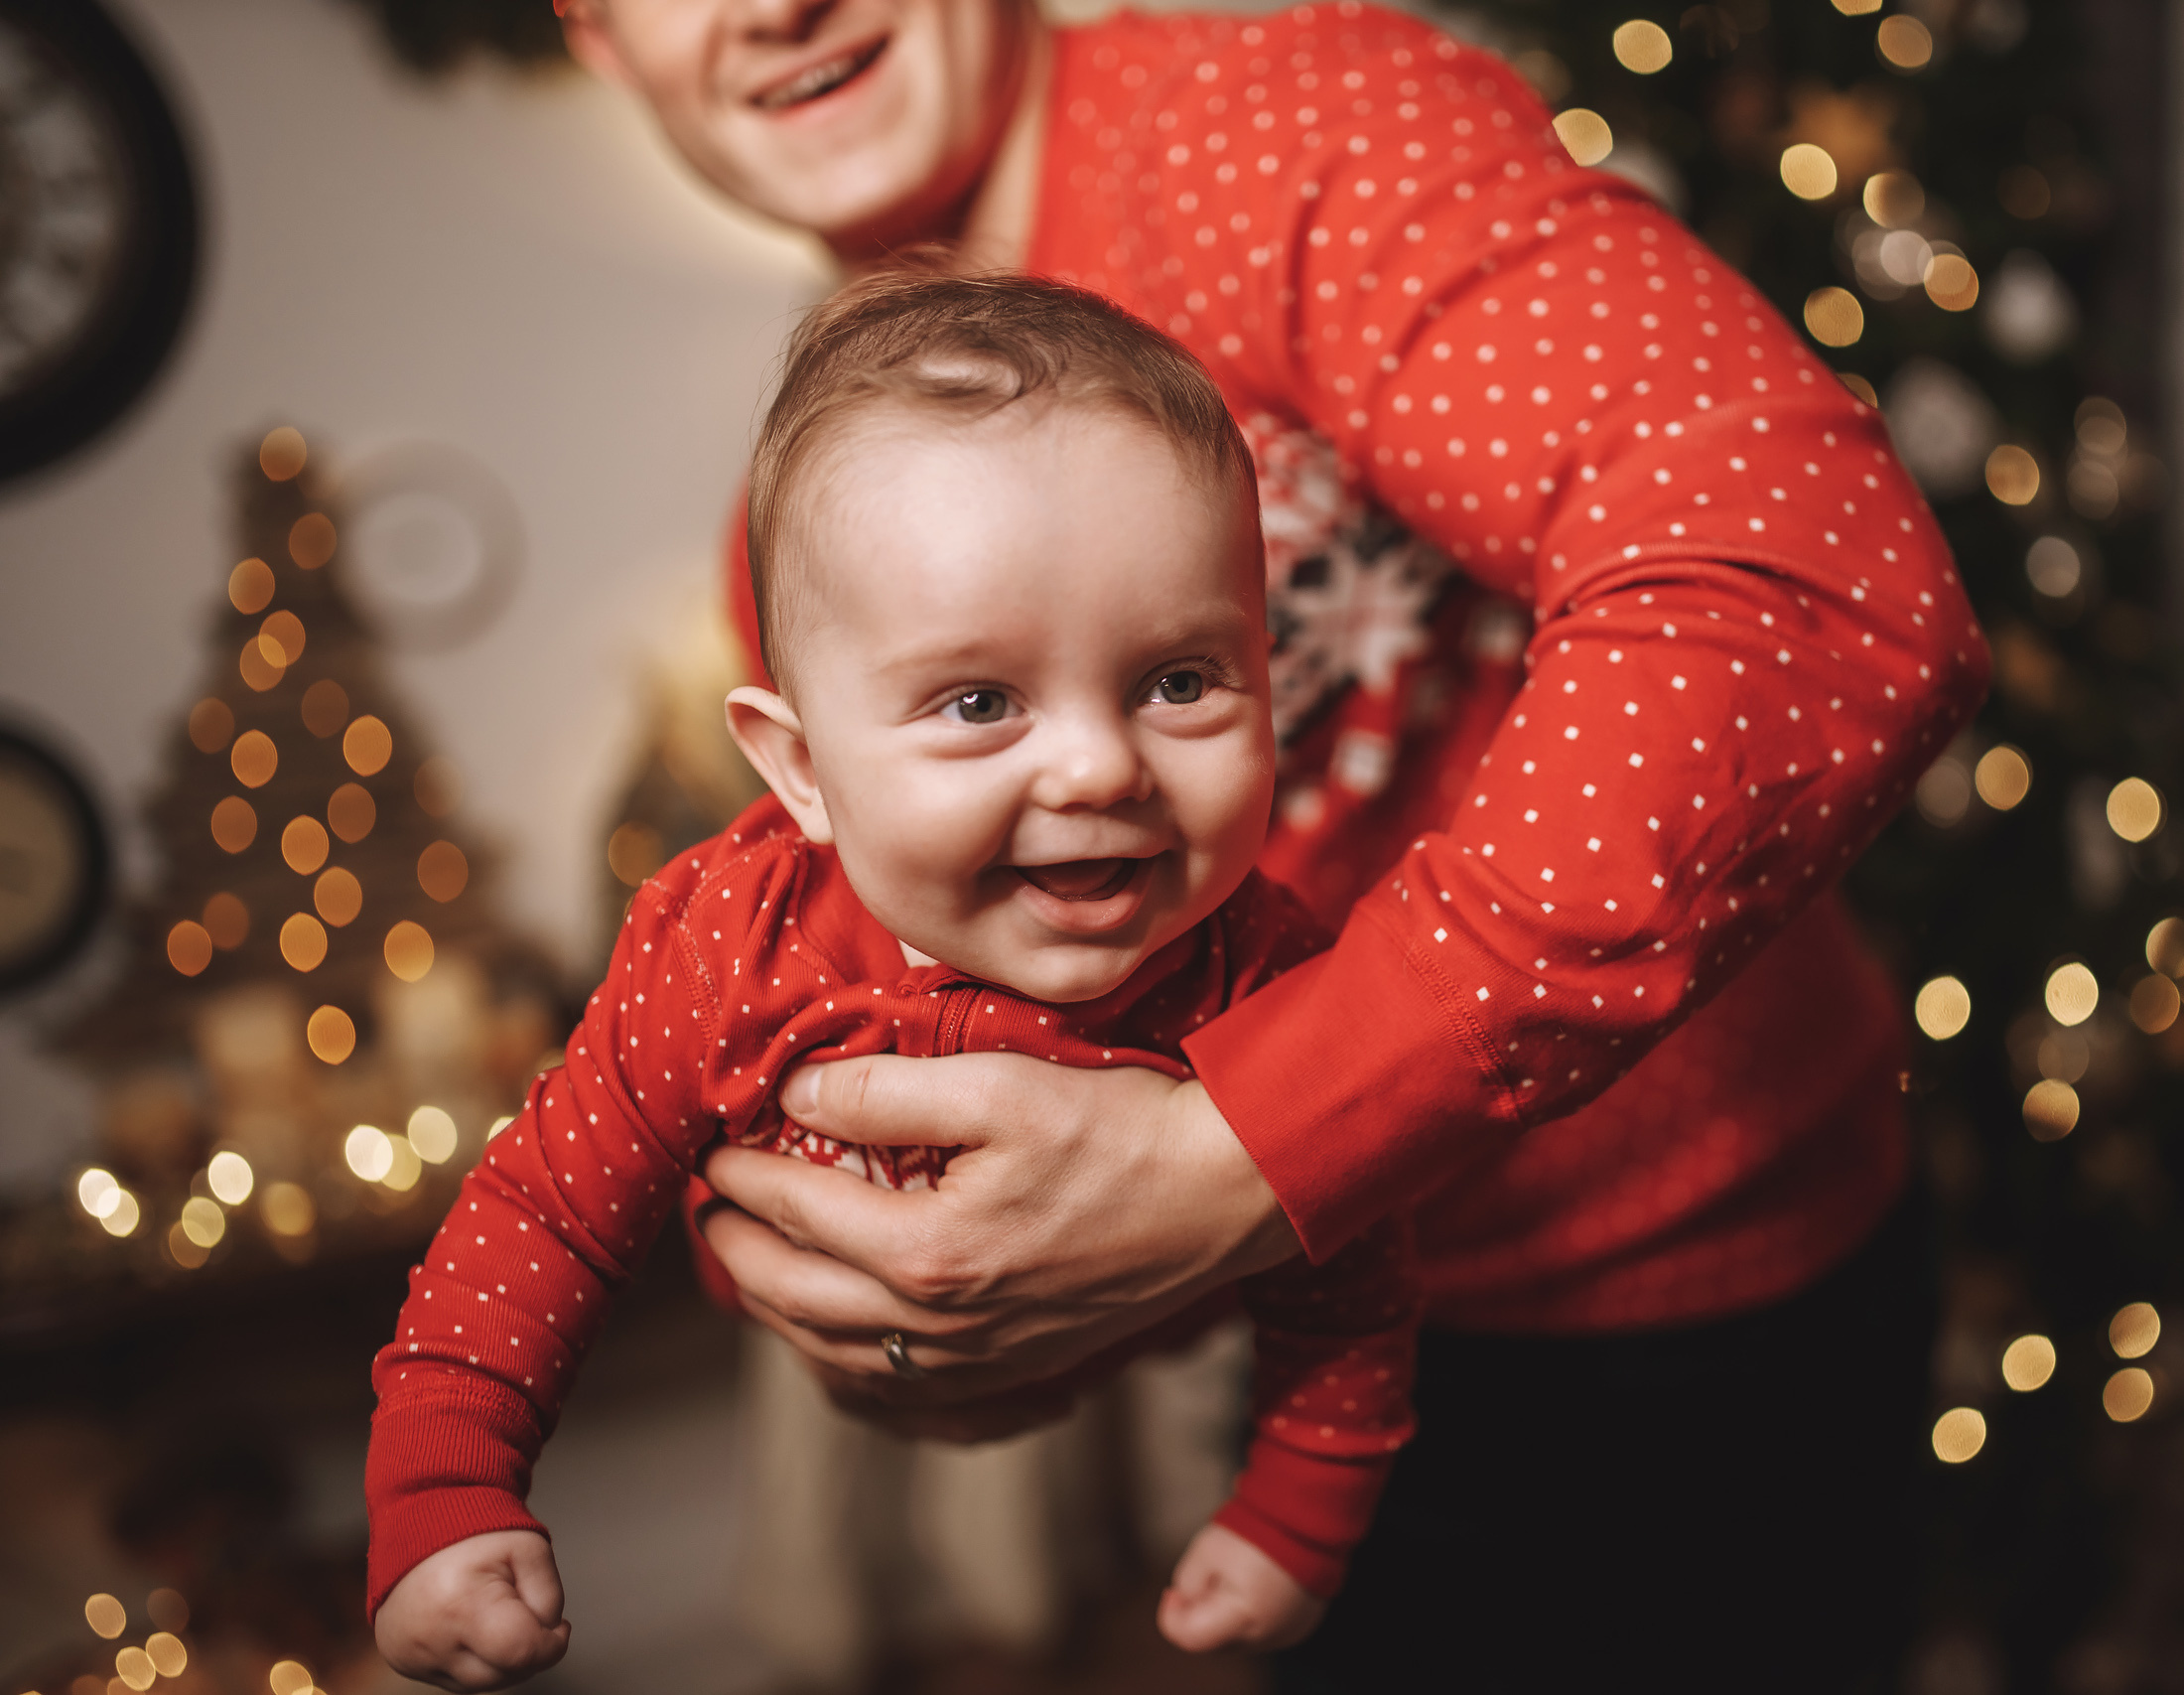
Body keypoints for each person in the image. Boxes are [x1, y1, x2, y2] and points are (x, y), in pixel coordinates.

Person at [558, 0, 1989, 1683]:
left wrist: (1255, 1143)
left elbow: (1805, 579)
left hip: (1699, 1317)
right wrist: (909, 1304)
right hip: (1319, 1360)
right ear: (596, 35)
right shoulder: (813, 533)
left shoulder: (1278, 130)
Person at [365, 272, 1420, 1688]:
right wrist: (447, 1488)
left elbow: (1348, 1272)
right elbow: (543, 1209)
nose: (1102, 768)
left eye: (1178, 679)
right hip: (821, 1320)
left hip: (1161, 1356)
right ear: (800, 768)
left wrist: (1299, 1508)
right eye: (980, 702)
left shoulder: (1261, 966)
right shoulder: (725, 947)